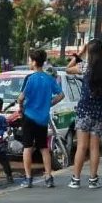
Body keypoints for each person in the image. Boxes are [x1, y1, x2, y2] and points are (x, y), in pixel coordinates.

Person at [66, 39, 102, 190]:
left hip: (84, 111)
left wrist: (79, 54)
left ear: (89, 52)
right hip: (100, 111)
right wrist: (101, 92)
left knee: (81, 147)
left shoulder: (84, 66)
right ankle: (93, 180)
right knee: (94, 147)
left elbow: (67, 69)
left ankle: (75, 180)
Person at [17, 49, 65, 189]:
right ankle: (49, 177)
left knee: (27, 147)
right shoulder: (50, 79)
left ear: (34, 62)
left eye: (29, 60)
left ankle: (28, 178)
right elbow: (61, 95)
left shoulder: (30, 79)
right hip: (43, 118)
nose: (28, 63)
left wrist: (21, 106)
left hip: (29, 116)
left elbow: (21, 97)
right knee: (44, 147)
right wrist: (49, 103)